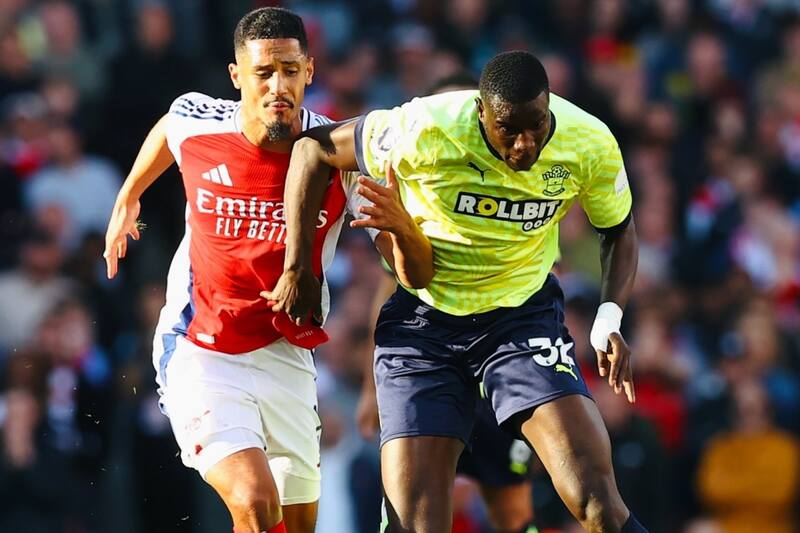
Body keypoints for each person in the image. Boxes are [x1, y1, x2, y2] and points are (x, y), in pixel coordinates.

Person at [268, 50, 646, 533]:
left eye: (536, 124)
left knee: (595, 500)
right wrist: (299, 267)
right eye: (509, 130)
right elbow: (312, 149)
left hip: (520, 319)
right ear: (480, 112)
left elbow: (618, 229)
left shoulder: (587, 141)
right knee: (417, 525)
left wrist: (609, 318)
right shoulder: (423, 128)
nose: (524, 145)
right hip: (424, 327)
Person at [102, 7, 432, 533]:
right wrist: (128, 197)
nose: (278, 86)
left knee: (296, 523)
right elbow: (169, 128)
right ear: (237, 77)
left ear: (310, 71)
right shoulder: (201, 121)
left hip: (288, 353)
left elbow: (413, 275)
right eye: (262, 73)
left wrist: (403, 229)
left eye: (290, 71)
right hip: (201, 348)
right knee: (256, 504)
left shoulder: (341, 153)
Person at [356, 72, 537, 533]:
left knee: (512, 509)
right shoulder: (412, 194)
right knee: (409, 505)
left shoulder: (511, 185)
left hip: (495, 375)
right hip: (427, 364)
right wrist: (368, 387)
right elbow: (392, 287)